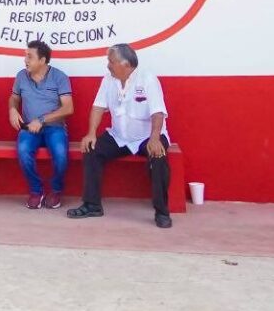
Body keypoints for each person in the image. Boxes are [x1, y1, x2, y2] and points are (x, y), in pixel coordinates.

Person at [66, 43, 174, 228]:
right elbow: (98, 107)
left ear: (127, 64)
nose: (108, 65)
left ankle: (162, 212)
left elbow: (158, 112)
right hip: (119, 136)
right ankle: (92, 205)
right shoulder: (108, 79)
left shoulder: (147, 79)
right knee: (91, 149)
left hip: (146, 137)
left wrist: (155, 138)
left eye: (111, 61)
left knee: (158, 156)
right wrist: (91, 133)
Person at [9, 39, 74, 209]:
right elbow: (14, 98)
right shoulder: (21, 76)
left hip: (55, 127)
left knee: (60, 155)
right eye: (25, 56)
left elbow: (68, 108)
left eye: (30, 57)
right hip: (29, 127)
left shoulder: (59, 77)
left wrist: (42, 120)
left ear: (43, 60)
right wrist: (12, 110)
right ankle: (36, 190)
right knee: (23, 151)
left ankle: (55, 190)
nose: (25, 60)